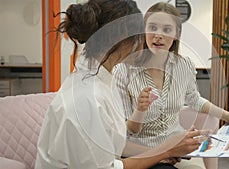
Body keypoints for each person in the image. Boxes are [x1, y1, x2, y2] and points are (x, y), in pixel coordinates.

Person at [35, 0, 207, 169]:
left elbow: (113, 132)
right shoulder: (88, 99)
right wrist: (165, 151)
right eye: (140, 35)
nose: (142, 43)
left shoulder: (99, 79)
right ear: (121, 38)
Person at [113, 2, 229, 169]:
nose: (158, 35)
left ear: (176, 34)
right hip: (141, 153)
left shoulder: (184, 65)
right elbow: (123, 131)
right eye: (153, 27)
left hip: (177, 147)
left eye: (167, 29)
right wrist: (160, 152)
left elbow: (194, 99)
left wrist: (226, 115)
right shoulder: (124, 70)